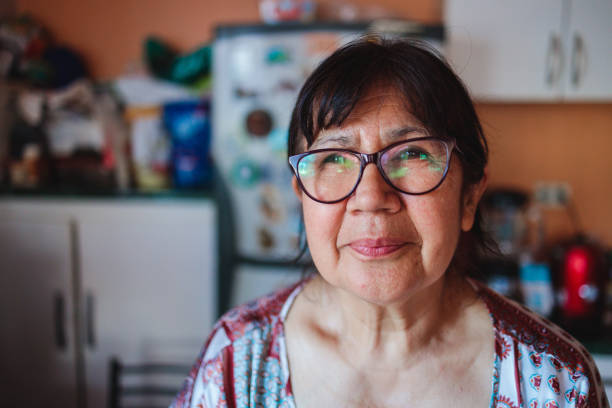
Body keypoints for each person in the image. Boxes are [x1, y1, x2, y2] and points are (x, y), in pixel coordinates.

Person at [172, 36, 608, 408]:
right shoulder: (235, 365)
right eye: (334, 159)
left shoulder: (555, 383)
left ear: (470, 196)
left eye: (414, 154)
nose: (371, 198)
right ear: (302, 195)